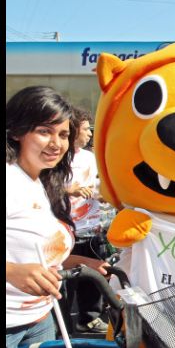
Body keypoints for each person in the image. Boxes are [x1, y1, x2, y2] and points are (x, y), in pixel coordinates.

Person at [6, 86, 109, 348]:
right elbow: (19, 262)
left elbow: (42, 251)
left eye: (63, 134)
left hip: (41, 322)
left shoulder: (40, 182)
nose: (56, 143)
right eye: (45, 131)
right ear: (17, 131)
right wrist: (13, 272)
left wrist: (83, 262)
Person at [61, 107, 109, 334]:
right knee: (64, 281)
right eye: (86, 130)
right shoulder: (57, 156)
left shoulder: (90, 157)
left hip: (92, 227)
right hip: (66, 229)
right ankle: (60, 327)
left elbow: (98, 186)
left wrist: (101, 194)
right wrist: (69, 190)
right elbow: (44, 185)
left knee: (94, 277)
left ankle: (89, 319)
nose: (90, 134)